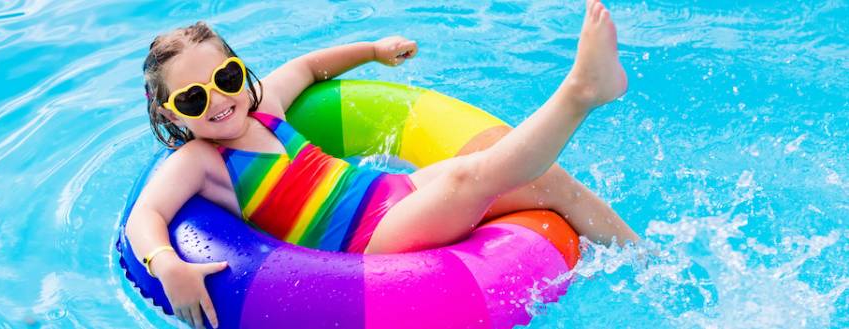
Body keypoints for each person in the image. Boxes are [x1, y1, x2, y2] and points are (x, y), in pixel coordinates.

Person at [126, 0, 638, 327]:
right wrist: (164, 263)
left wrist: (374, 50)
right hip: (371, 240)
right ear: (170, 112)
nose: (218, 101)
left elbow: (307, 65)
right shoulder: (199, 160)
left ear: (241, 71)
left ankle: (644, 256)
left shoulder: (266, 108)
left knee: (547, 180)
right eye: (193, 100)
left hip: (394, 191)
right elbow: (145, 216)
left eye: (228, 78)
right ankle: (580, 94)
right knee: (470, 176)